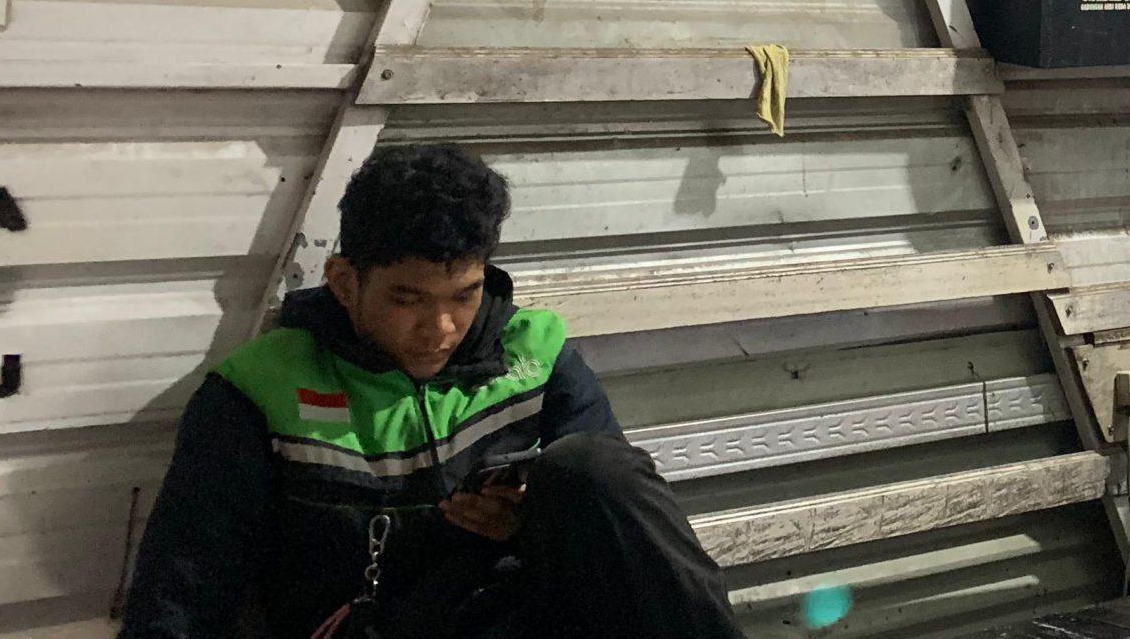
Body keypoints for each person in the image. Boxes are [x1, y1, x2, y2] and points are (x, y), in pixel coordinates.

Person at [120, 143, 740, 639]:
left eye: (464, 296)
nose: (440, 329)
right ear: (344, 282)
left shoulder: (534, 353)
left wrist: (525, 524)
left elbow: (620, 531)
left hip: (525, 614)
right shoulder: (261, 388)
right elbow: (184, 584)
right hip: (384, 622)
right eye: (408, 299)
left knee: (599, 468)